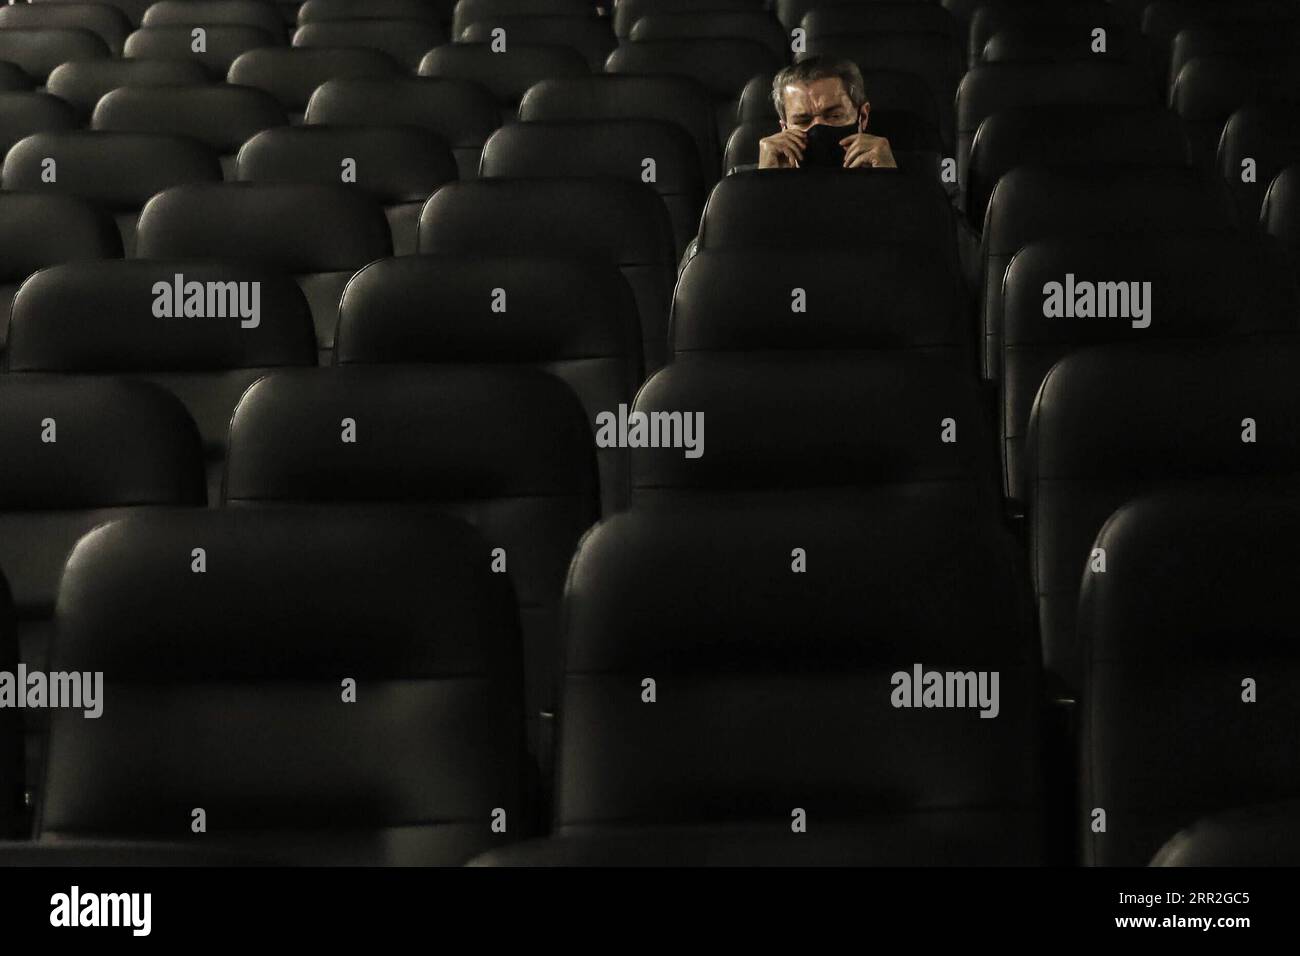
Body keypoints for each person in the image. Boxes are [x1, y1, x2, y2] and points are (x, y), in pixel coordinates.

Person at [758, 57, 897, 170]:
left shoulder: (912, 175)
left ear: (863, 117)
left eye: (835, 116)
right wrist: (766, 180)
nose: (818, 128)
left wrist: (887, 178)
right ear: (784, 127)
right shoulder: (752, 178)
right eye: (803, 121)